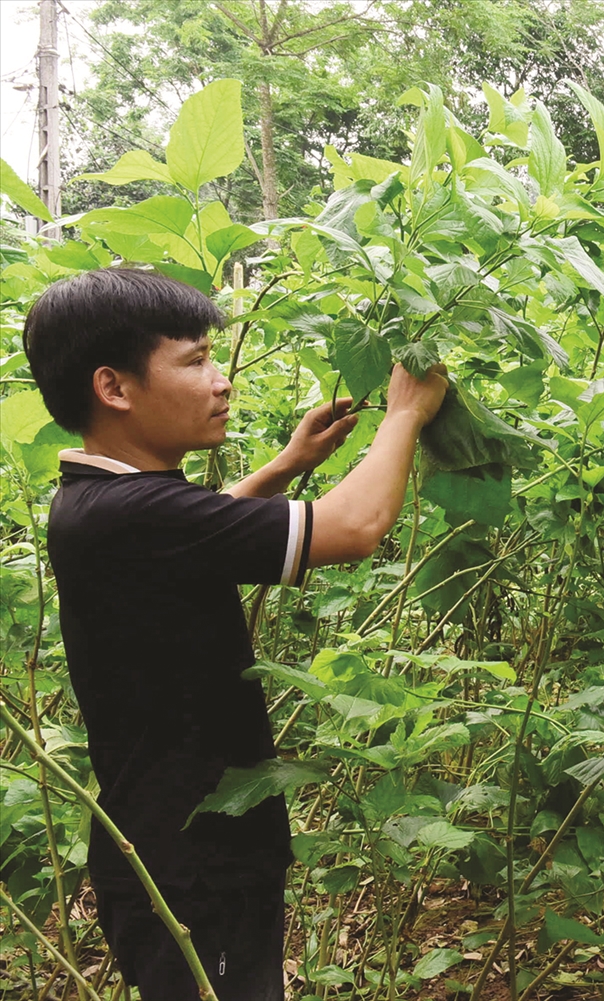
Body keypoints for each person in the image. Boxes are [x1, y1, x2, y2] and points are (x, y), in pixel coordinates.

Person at [23, 267, 448, 1000]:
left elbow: (198, 532)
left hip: (182, 840)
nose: (221, 381)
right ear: (114, 387)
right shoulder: (132, 514)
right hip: (195, 860)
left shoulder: (100, 500)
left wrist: (287, 465)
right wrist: (405, 414)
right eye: (194, 361)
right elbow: (356, 527)